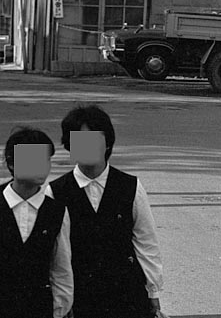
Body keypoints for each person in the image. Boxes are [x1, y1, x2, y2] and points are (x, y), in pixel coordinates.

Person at [48, 105, 164, 318]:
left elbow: (146, 243)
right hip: (79, 298)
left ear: (108, 143)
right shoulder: (55, 192)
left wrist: (153, 291)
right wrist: (59, 303)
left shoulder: (130, 187)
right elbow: (54, 255)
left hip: (126, 295)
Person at [2, 126, 73, 318]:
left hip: (39, 308)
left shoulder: (56, 211)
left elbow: (61, 269)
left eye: (46, 160)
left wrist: (57, 311)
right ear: (12, 163)